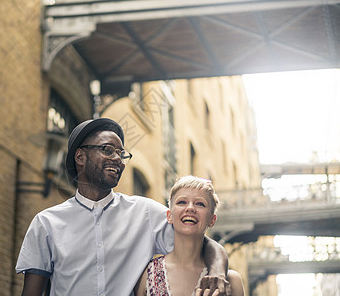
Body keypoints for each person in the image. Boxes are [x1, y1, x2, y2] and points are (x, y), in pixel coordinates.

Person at [16, 118, 231, 295]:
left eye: (121, 153)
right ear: (80, 157)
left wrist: (218, 272)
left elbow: (206, 245)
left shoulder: (145, 213)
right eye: (107, 150)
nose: (117, 159)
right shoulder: (46, 223)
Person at [134, 175, 244, 296]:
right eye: (182, 202)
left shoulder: (231, 281)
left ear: (212, 220)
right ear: (169, 216)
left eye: (200, 204)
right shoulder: (148, 274)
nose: (190, 208)